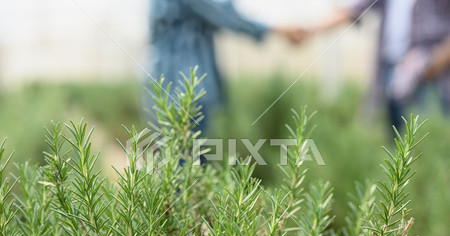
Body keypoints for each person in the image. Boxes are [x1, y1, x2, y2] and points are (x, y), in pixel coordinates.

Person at [292, 0, 450, 130]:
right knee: (395, 136)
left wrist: (436, 61)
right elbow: (353, 10)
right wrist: (309, 30)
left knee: (429, 136)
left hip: (433, 75)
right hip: (390, 67)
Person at [147, 0, 302, 132]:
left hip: (166, 82)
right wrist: (277, 29)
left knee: (177, 153)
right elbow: (222, 13)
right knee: (186, 155)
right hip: (185, 85)